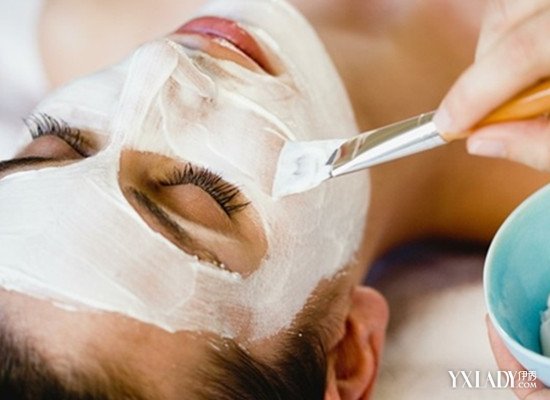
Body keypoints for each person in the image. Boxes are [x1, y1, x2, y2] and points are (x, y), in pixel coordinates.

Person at [0, 1, 387, 399]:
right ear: (345, 359)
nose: (157, 59)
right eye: (201, 194)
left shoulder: (79, 25)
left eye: (53, 143)